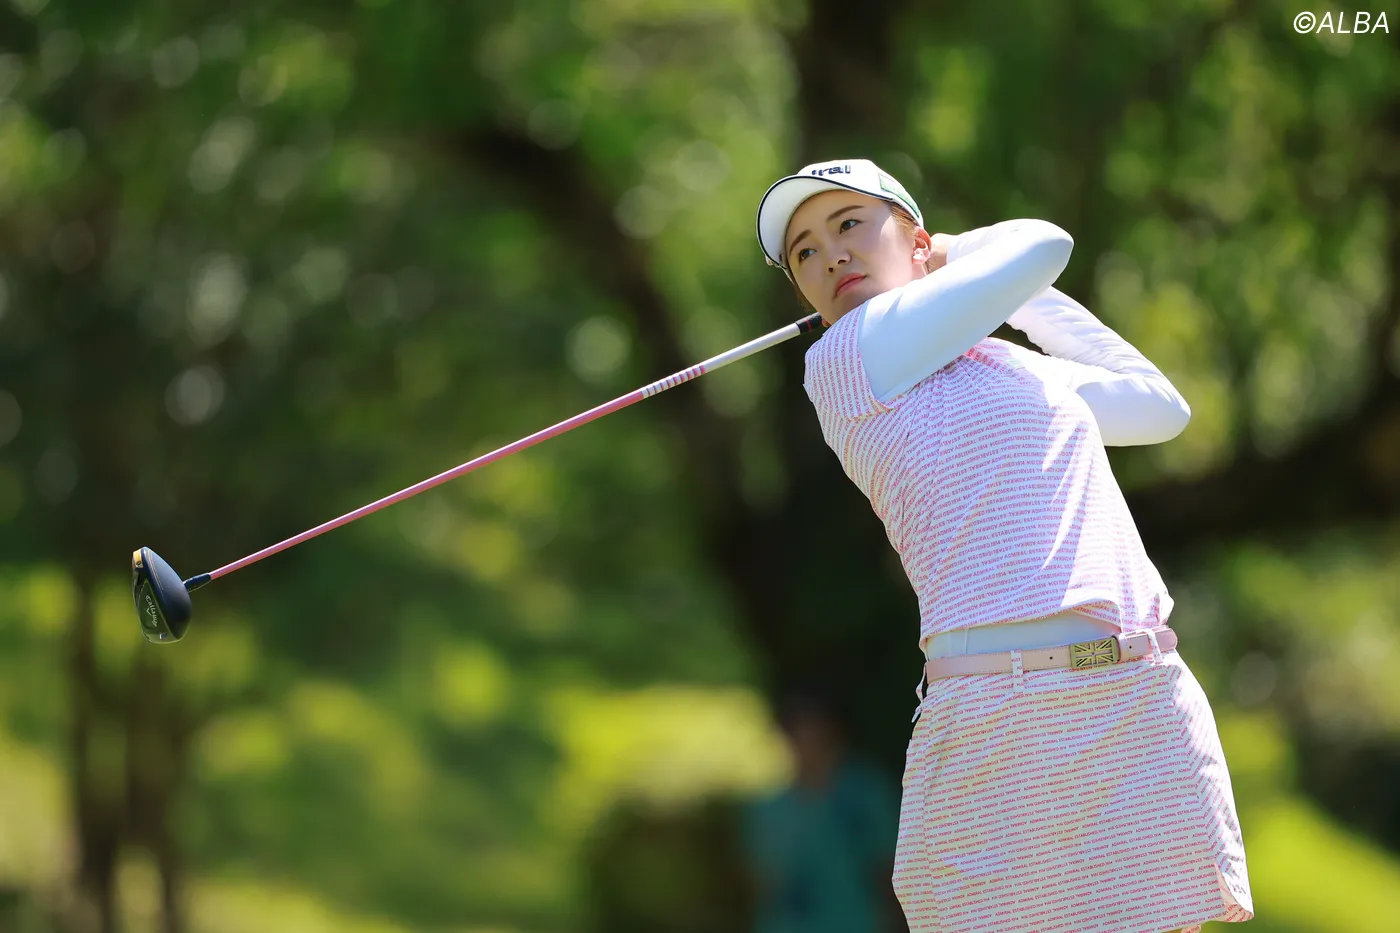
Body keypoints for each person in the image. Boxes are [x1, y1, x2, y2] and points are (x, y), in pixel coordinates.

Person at [753, 159, 1253, 933]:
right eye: (805, 253)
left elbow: (1160, 406)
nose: (831, 255)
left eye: (849, 223)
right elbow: (1043, 243)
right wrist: (960, 255)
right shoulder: (848, 357)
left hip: (1134, 694)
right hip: (999, 716)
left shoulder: (1013, 369)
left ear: (916, 240)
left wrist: (991, 281)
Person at [741, 687, 903, 933]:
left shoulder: (869, 795)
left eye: (819, 734)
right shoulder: (767, 811)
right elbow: (760, 884)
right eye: (801, 733)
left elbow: (891, 872)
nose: (810, 745)